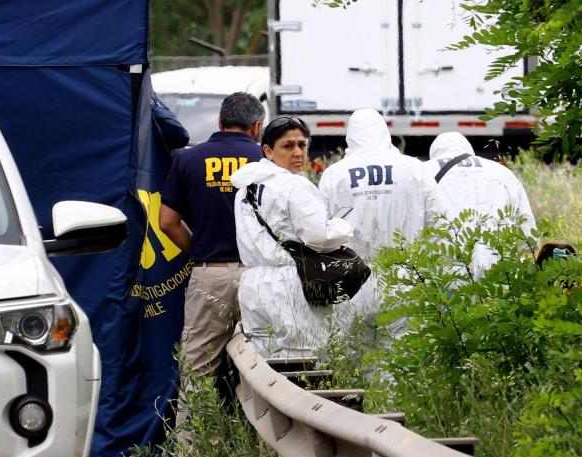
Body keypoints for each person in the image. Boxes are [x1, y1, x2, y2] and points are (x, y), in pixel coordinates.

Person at [159, 92, 265, 412]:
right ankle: (262, 452)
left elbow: (167, 222)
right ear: (257, 127)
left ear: (220, 122)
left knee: (198, 373)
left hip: (209, 275)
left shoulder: (188, 160)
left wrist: (201, 253)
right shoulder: (266, 161)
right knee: (263, 369)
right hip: (258, 277)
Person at [231, 116, 354, 357]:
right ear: (268, 150)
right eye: (288, 146)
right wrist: (343, 227)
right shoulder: (295, 186)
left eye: (302, 144)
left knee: (263, 359)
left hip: (253, 284)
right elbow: (318, 236)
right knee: (303, 358)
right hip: (291, 282)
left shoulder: (246, 188)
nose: (298, 152)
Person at [318, 108, 443, 330]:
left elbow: (322, 233)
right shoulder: (415, 168)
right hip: (406, 277)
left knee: (355, 355)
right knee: (404, 354)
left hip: (353, 280)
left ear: (351, 136)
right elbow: (438, 223)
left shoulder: (334, 174)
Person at [422, 131, 537, 278]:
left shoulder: (422, 173)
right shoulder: (502, 173)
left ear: (434, 155)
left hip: (446, 277)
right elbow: (529, 237)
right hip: (500, 275)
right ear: (469, 150)